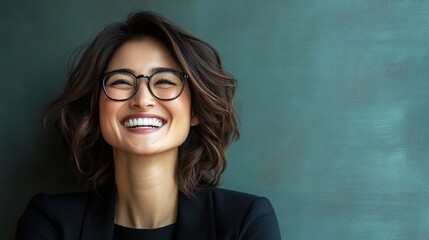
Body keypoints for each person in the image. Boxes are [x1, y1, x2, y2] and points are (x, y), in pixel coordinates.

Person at [16, 11, 281, 240]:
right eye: (121, 82)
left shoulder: (246, 222)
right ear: (96, 108)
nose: (142, 100)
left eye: (165, 81)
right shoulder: (49, 222)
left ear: (194, 112)